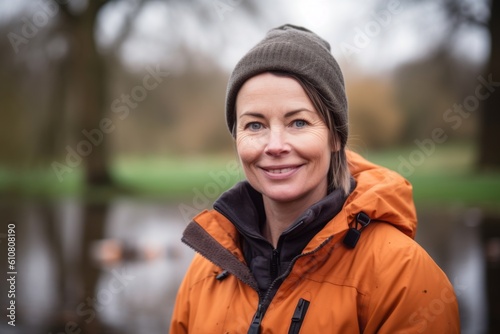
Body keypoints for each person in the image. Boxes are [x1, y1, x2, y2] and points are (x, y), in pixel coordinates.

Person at [170, 24, 460, 333]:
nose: (275, 145)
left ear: (335, 137)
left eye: (298, 122)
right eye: (255, 125)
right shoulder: (208, 269)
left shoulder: (402, 276)